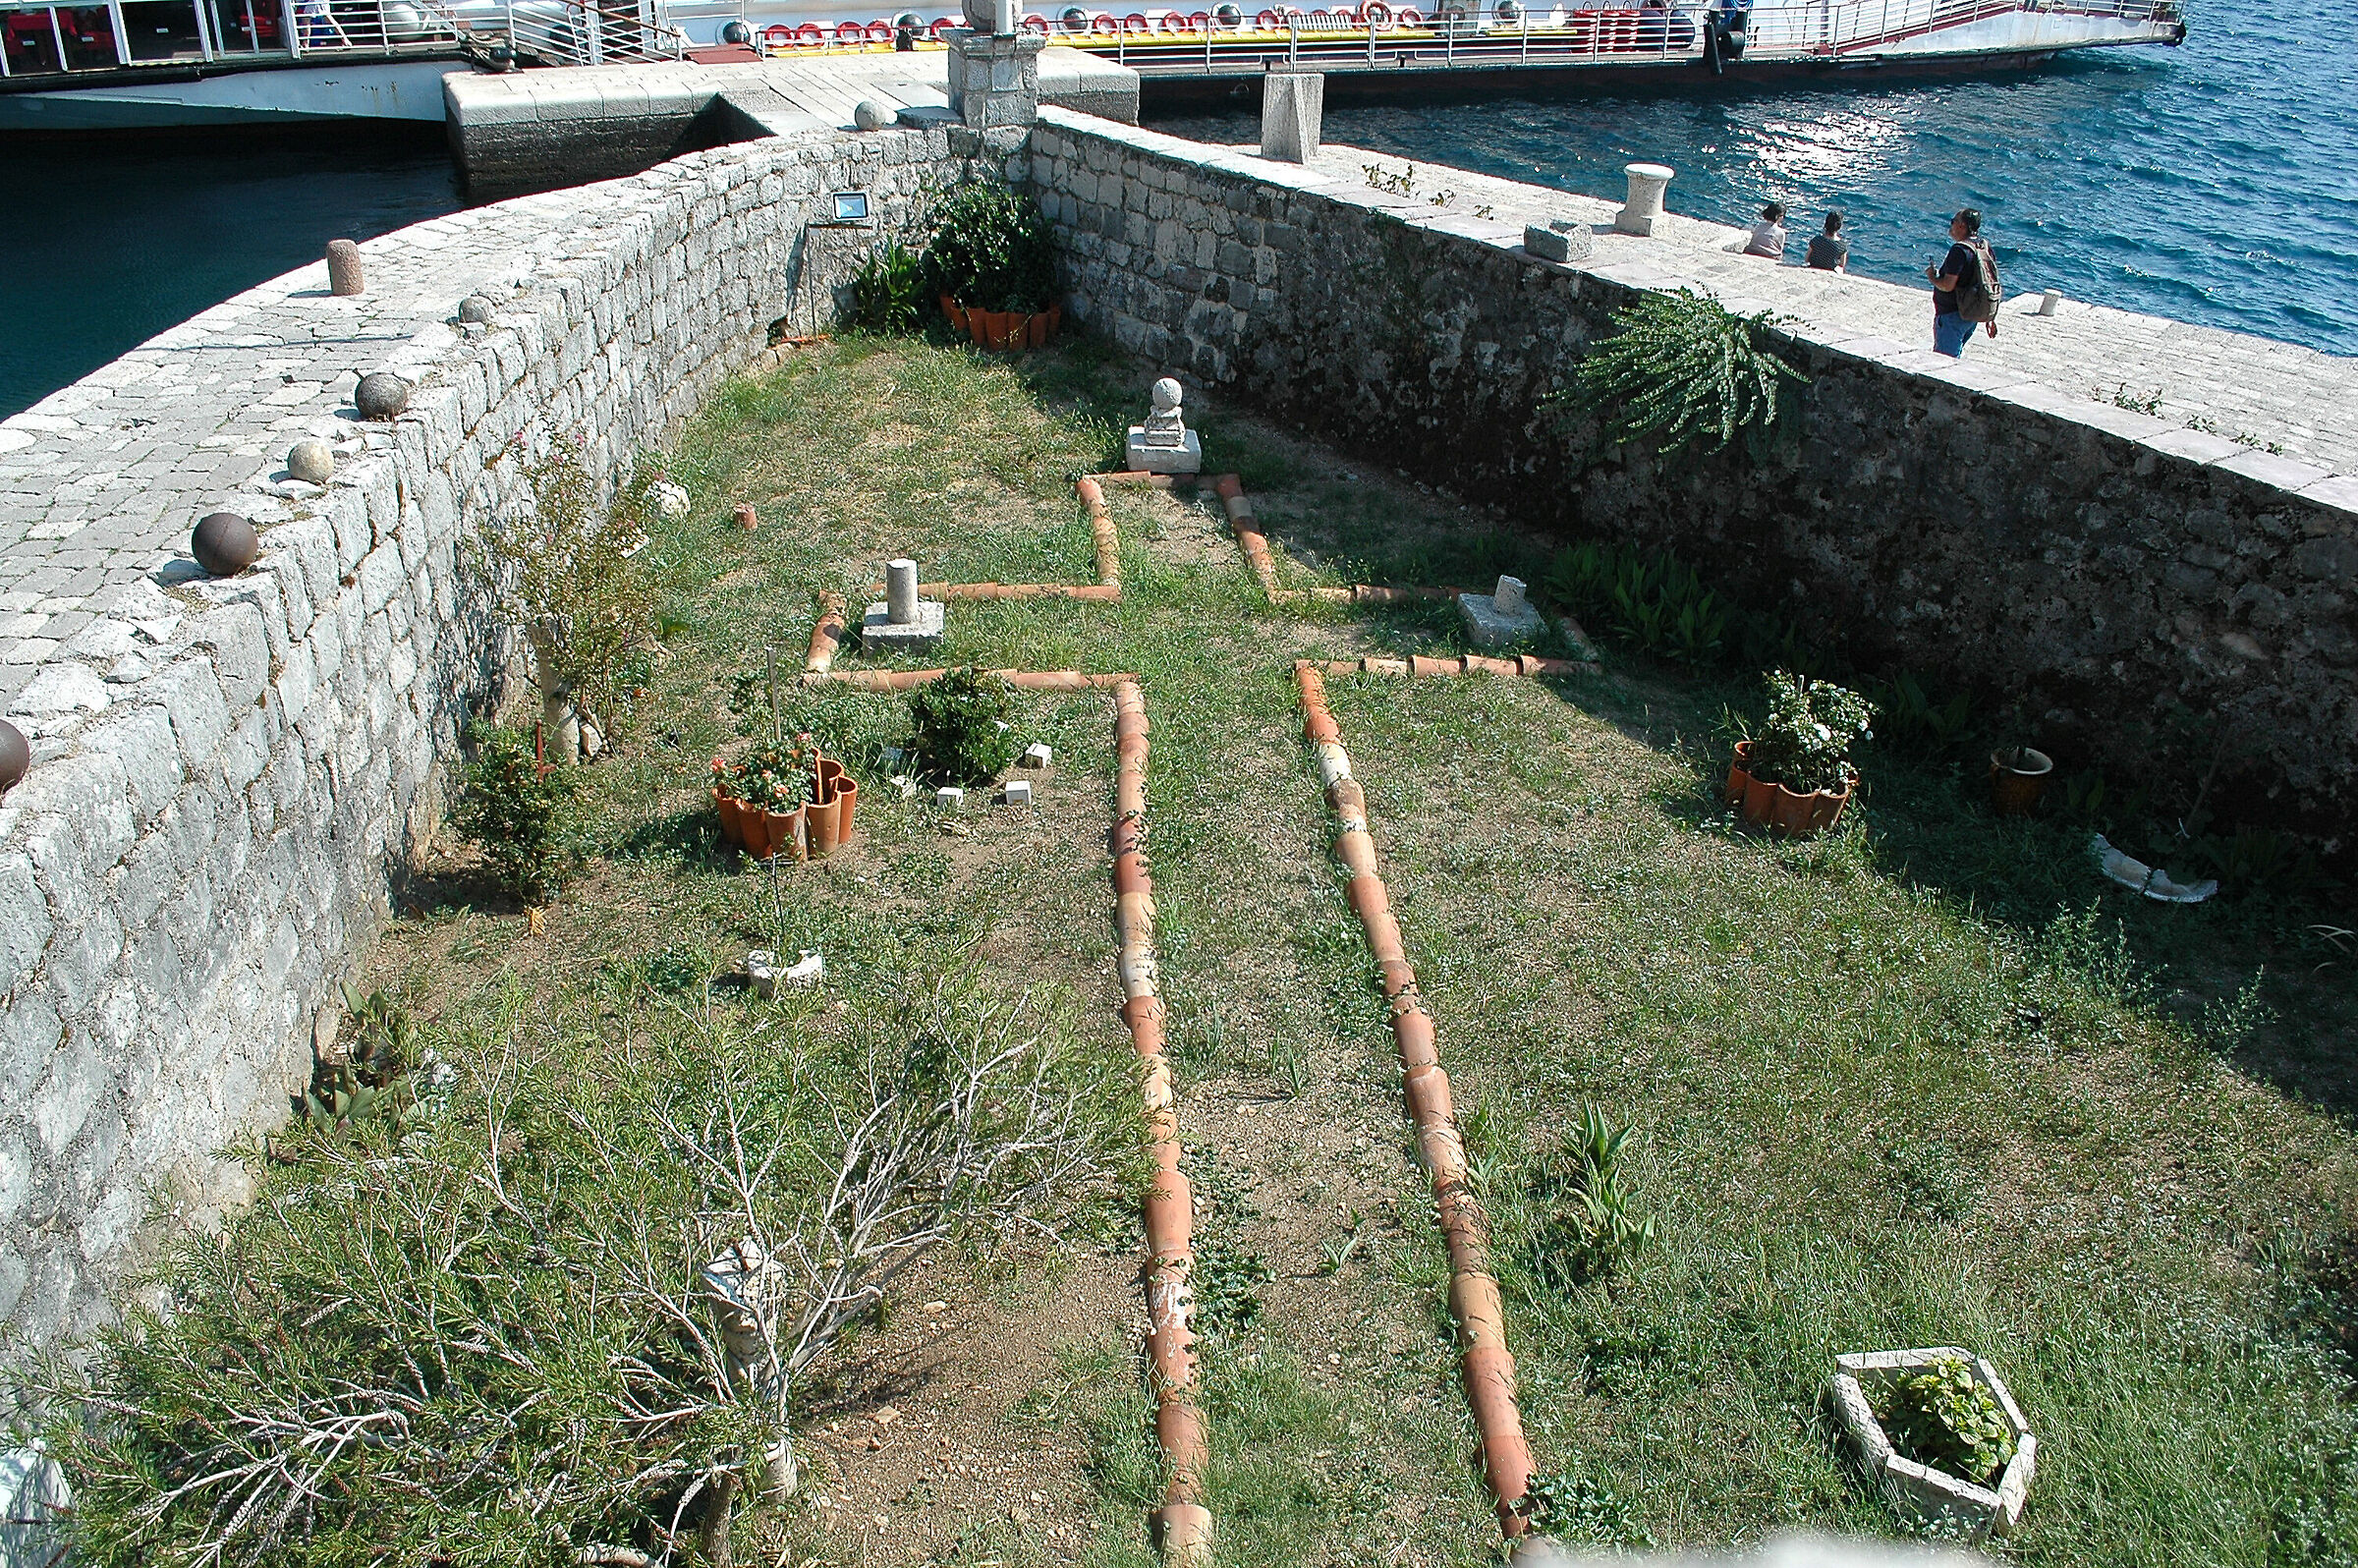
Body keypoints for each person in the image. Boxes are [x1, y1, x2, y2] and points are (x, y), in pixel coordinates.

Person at [1927, 207, 2000, 358]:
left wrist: (1932, 277)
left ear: (1962, 225)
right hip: (1970, 315)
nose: (1951, 225)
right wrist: (1990, 317)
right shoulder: (1983, 246)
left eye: (1953, 221)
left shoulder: (1959, 250)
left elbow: (1947, 285)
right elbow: (1989, 281)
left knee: (1943, 360)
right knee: (1955, 354)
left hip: (1952, 314)